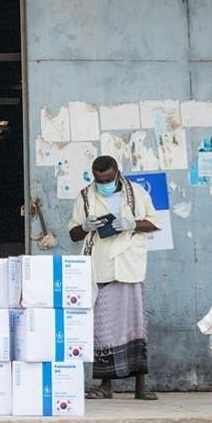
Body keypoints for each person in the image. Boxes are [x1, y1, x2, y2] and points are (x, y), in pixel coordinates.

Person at [69, 155, 160, 401]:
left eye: (107, 179)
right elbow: (74, 234)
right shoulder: (86, 196)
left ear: (117, 174)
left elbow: (154, 223)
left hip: (130, 267)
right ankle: (105, 385)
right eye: (99, 180)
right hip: (102, 268)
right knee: (103, 329)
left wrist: (131, 224)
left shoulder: (138, 193)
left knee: (135, 327)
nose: (103, 183)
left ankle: (142, 385)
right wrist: (86, 227)